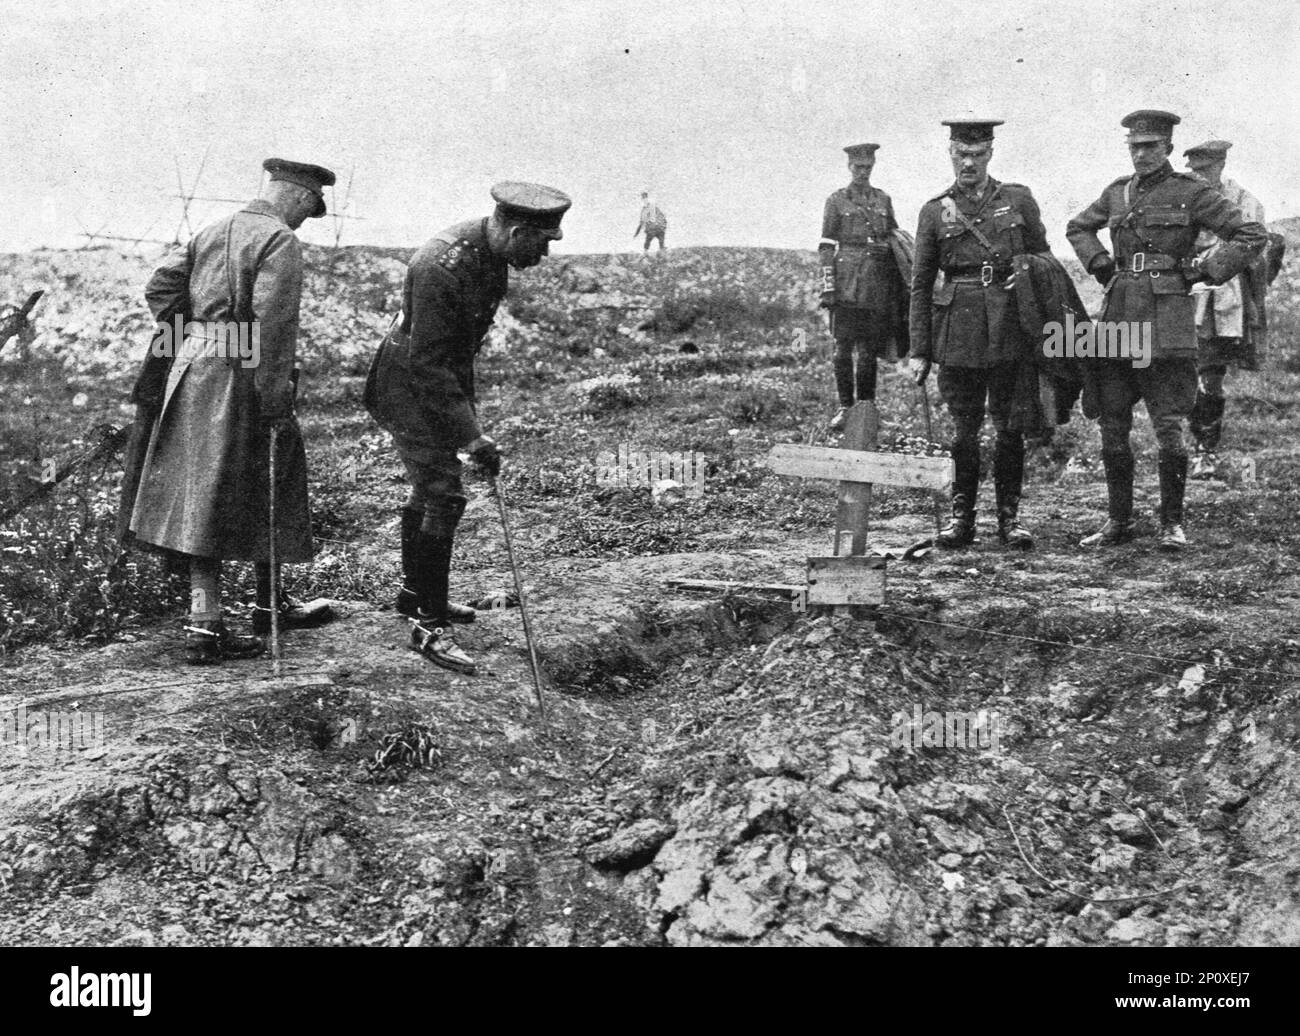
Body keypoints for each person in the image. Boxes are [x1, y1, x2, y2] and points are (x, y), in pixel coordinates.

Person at [125, 158, 337, 662]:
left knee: (203, 490)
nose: (305, 221)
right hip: (240, 378)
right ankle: (238, 617)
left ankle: (232, 614)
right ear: (303, 198)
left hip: (191, 371)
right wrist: (273, 398)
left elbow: (161, 286)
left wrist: (194, 334)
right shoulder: (279, 239)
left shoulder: (213, 229)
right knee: (266, 479)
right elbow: (273, 326)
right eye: (310, 210)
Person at [365, 181, 571, 675]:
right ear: (518, 231)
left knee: (433, 490)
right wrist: (469, 436)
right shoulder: (441, 266)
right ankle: (429, 625)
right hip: (407, 385)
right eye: (540, 245)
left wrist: (468, 425)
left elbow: (461, 353)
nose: (542, 256)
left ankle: (416, 595)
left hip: (431, 378)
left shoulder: (493, 259)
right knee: (444, 495)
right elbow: (430, 364)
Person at [1066, 111, 1267, 551]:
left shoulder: (1191, 193)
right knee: (1113, 423)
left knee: (1169, 424)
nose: (1142, 154)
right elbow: (1079, 227)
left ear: (1168, 149)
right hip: (1119, 319)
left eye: (1151, 147)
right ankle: (1118, 521)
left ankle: (1171, 524)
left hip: (1167, 321)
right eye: (1135, 146)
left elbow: (1251, 234)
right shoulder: (1117, 193)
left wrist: (1206, 271)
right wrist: (1101, 266)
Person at [908, 119, 1049, 550]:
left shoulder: (1017, 200)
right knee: (963, 429)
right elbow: (920, 282)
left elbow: (1042, 255)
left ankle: (1010, 518)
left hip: (1008, 325)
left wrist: (1025, 273)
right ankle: (961, 517)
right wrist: (920, 349)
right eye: (960, 154)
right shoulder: (936, 210)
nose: (968, 162)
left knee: (1009, 427)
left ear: (990, 153)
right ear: (950, 153)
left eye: (977, 154)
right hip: (958, 330)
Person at [1182, 140, 1268, 479]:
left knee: (1212, 376)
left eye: (1205, 169)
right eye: (1194, 170)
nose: (1199, 176)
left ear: (1220, 166)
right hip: (1188, 297)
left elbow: (1256, 248)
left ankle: (1207, 450)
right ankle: (1193, 444)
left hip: (1226, 302)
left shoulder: (1245, 202)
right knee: (1188, 374)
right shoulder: (1184, 197)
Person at [819, 143, 908, 432]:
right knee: (843, 349)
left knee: (869, 350)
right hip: (845, 284)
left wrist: (888, 252)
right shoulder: (837, 200)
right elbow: (826, 246)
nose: (863, 172)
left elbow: (894, 236)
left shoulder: (883, 199)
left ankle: (867, 409)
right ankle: (845, 408)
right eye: (858, 167)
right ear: (849, 167)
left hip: (876, 284)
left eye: (867, 167)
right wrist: (828, 286)